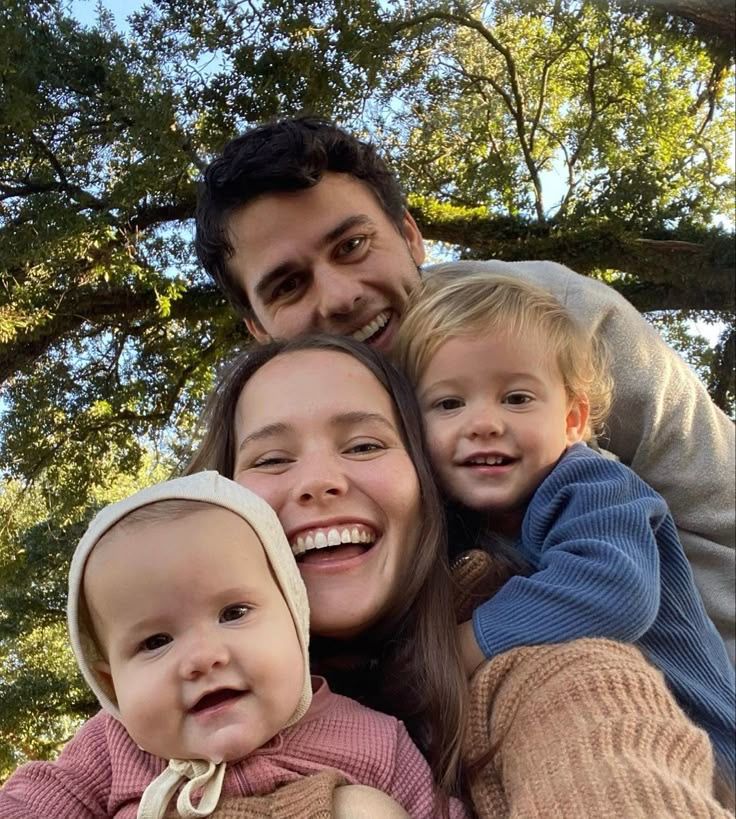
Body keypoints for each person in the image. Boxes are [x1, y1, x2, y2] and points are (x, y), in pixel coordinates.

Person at [194, 116, 735, 663]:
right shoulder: (258, 436)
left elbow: (716, 507)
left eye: (353, 245)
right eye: (288, 285)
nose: (338, 296)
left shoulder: (549, 319)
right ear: (259, 330)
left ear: (409, 235)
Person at [187, 333, 733, 816]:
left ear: (431, 487)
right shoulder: (161, 691)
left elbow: (604, 758)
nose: (318, 481)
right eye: (272, 460)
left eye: (364, 445)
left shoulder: (540, 664)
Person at [394, 268, 736, 779]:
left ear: (574, 419)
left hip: (704, 753)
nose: (484, 422)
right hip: (588, 743)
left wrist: (459, 647)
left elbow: (613, 591)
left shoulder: (594, 487)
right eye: (449, 404)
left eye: (516, 398)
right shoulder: (458, 519)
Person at [0, 471, 466, 818]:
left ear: (295, 615)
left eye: (233, 614)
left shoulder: (375, 740)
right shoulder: (110, 747)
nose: (204, 658)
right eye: (156, 641)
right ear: (111, 685)